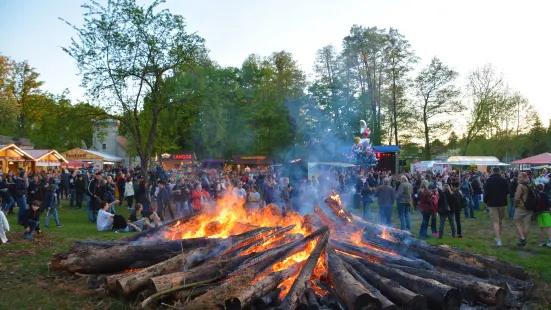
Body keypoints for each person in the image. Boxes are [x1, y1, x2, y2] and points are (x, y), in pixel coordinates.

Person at [484, 167, 510, 246]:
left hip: (492, 203)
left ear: (492, 171)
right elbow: (508, 192)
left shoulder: (489, 181)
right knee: (500, 221)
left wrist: (485, 201)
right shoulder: (504, 180)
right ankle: (499, 236)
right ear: (499, 171)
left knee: (495, 221)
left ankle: (499, 240)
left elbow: (486, 192)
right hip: (502, 203)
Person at [514, 172, 534, 246]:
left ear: (524, 178)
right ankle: (524, 240)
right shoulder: (530, 185)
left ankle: (522, 238)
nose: (518, 179)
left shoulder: (520, 186)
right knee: (527, 223)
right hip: (530, 206)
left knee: (516, 221)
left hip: (522, 207)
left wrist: (515, 205)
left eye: (519, 177)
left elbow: (517, 197)